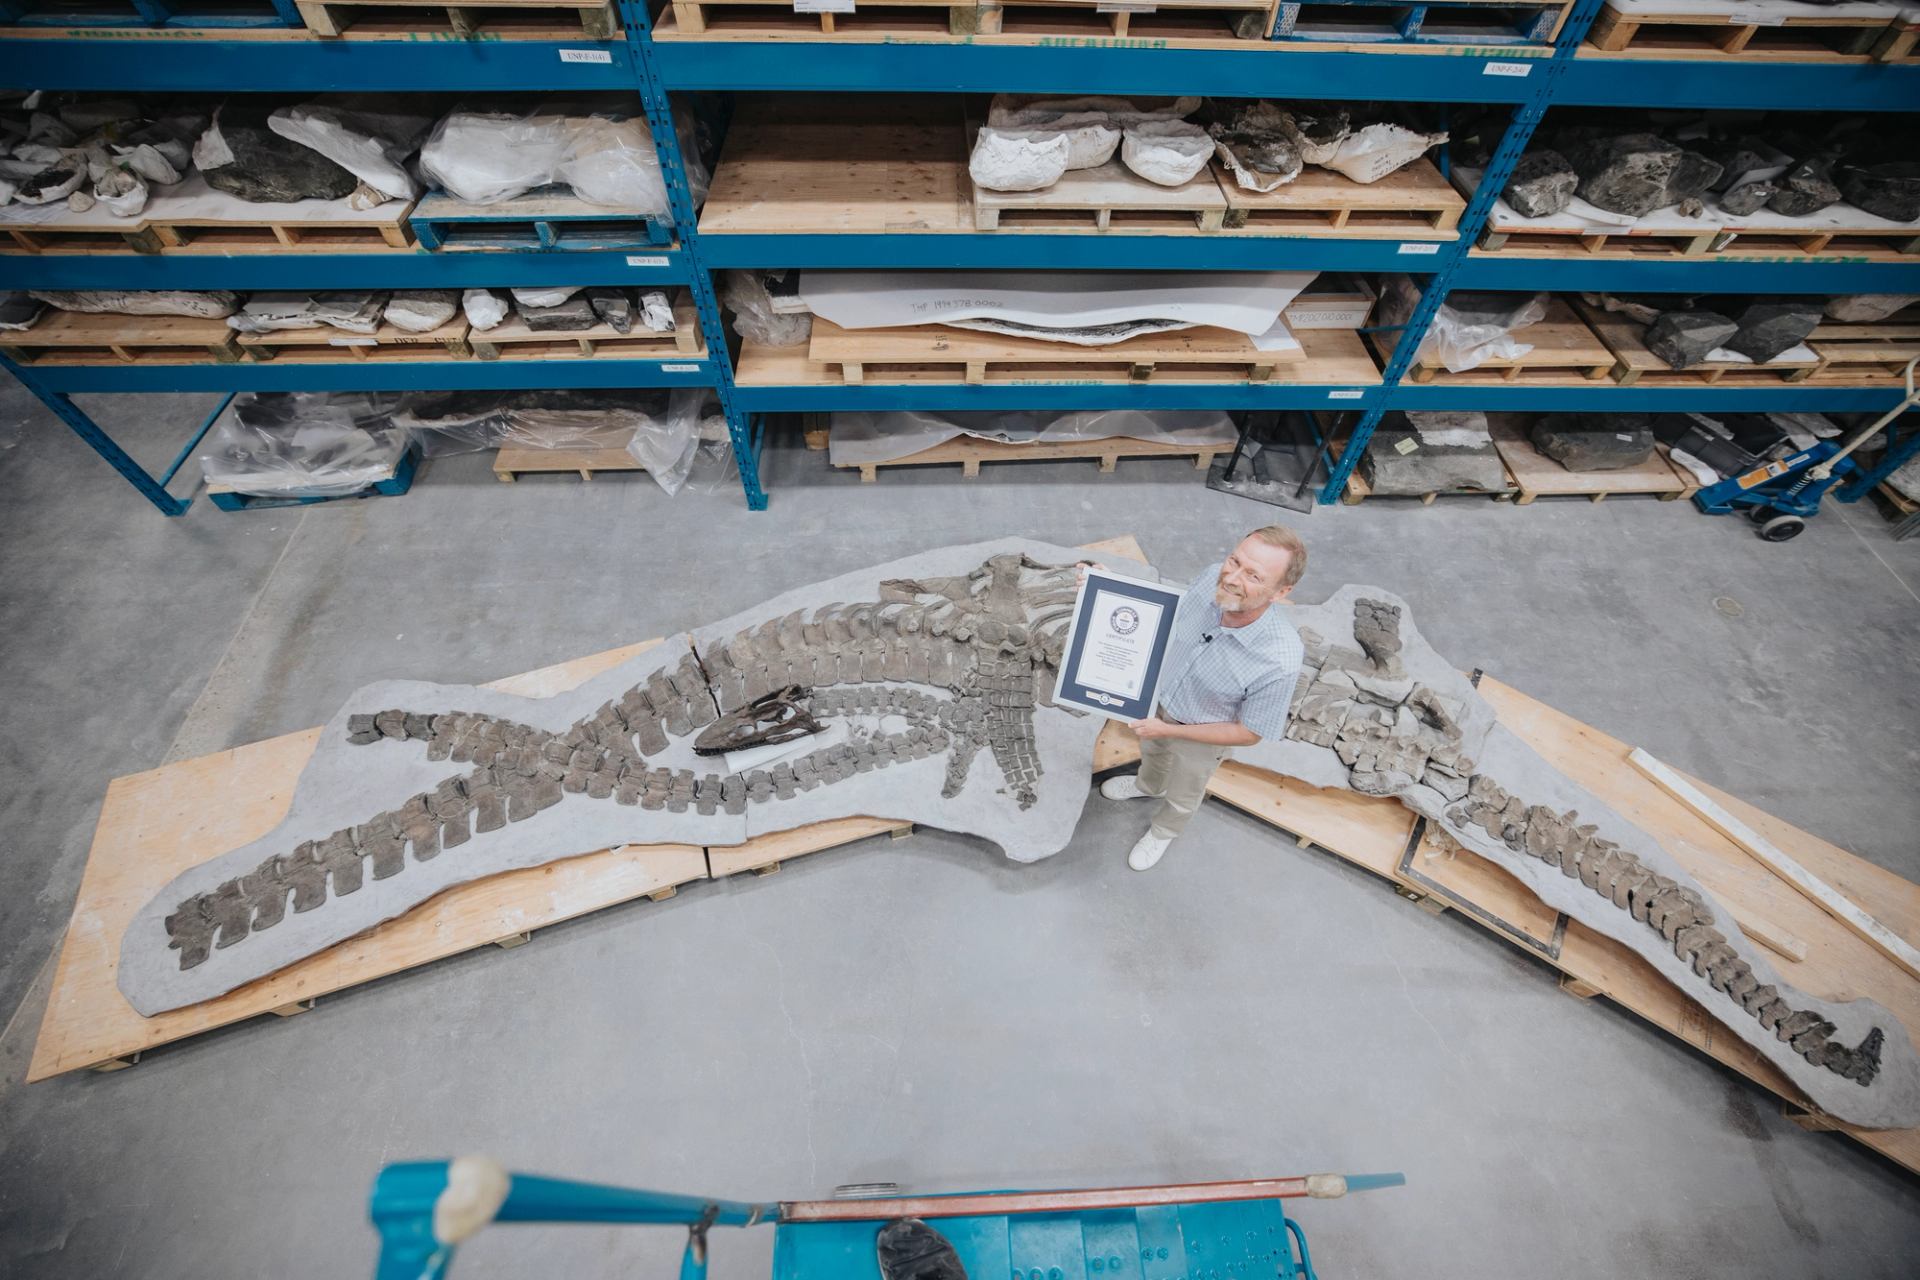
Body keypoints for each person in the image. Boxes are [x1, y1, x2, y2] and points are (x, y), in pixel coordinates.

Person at [1100, 526, 1307, 871]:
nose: (1232, 578)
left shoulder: (1280, 659)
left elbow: (1248, 732)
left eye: (1254, 576)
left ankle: (1163, 831)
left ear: (1281, 591)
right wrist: (1110, 591)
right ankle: (1148, 786)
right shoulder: (1214, 575)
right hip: (1161, 703)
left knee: (1185, 790)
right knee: (1152, 755)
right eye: (1234, 561)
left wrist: (1170, 731)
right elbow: (1174, 612)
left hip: (1201, 736)